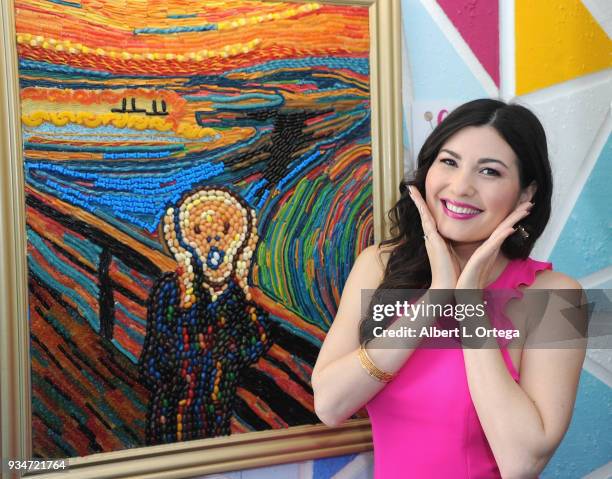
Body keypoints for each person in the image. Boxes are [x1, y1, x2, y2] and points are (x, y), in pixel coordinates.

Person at [311, 99, 587, 478]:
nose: (461, 187)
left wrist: (470, 303)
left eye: (489, 171)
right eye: (449, 162)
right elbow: (329, 405)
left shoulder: (558, 298)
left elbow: (522, 463)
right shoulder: (378, 267)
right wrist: (436, 296)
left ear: (526, 193)